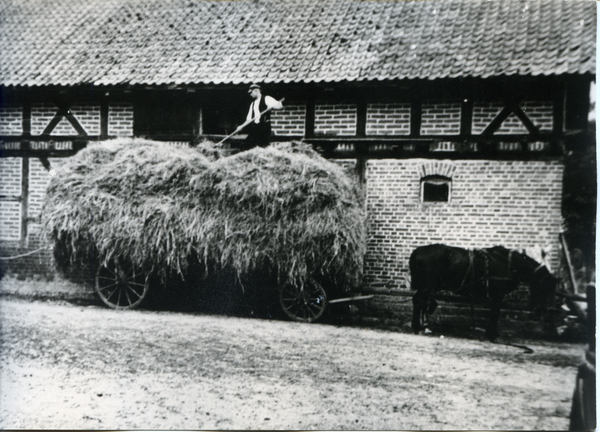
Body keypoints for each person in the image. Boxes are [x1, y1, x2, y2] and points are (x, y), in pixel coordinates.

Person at [242, 84, 283, 149]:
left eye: (251, 92)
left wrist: (271, 106)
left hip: (264, 127)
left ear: (256, 91)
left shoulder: (266, 98)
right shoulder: (252, 104)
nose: (250, 94)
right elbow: (249, 119)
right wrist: (241, 126)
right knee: (246, 145)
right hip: (255, 128)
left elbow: (279, 106)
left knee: (262, 146)